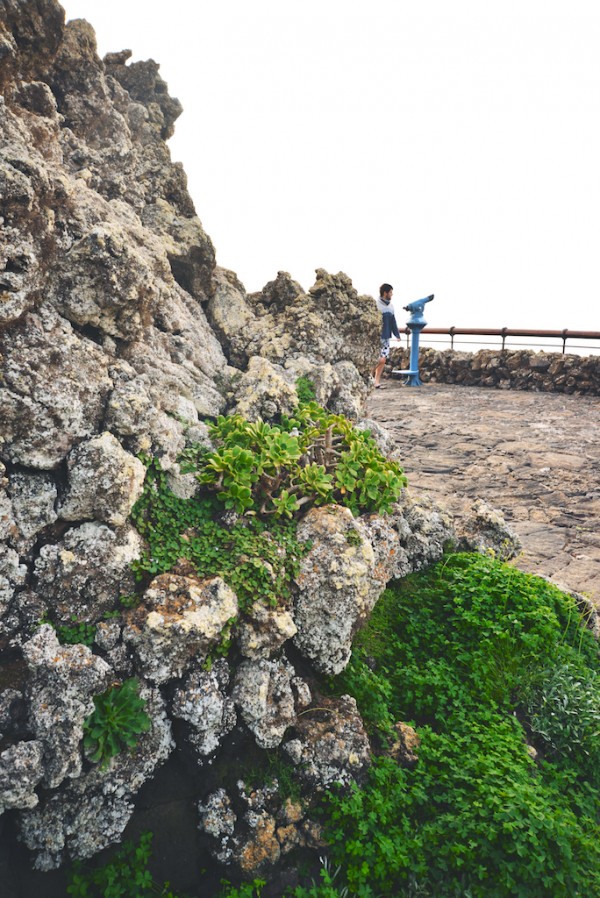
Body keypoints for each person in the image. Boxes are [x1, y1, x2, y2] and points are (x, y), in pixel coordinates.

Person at [373, 282, 399, 388]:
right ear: (385, 293)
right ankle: (367, 376)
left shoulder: (391, 306)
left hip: (386, 337)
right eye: (391, 292)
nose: (392, 294)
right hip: (377, 337)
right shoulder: (376, 305)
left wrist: (397, 334)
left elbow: (393, 321)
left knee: (383, 361)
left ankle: (376, 381)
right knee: (380, 359)